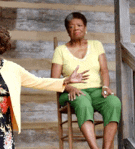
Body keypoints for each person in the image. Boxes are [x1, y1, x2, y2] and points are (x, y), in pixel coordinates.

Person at [51, 12, 121, 149]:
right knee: (83, 101)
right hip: (71, 92)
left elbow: (104, 70)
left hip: (96, 91)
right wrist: (70, 87)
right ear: (67, 31)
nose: (75, 28)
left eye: (79, 25)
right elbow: (53, 79)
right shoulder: (60, 50)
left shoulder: (96, 45)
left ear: (85, 27)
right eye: (71, 27)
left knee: (114, 102)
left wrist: (105, 86)